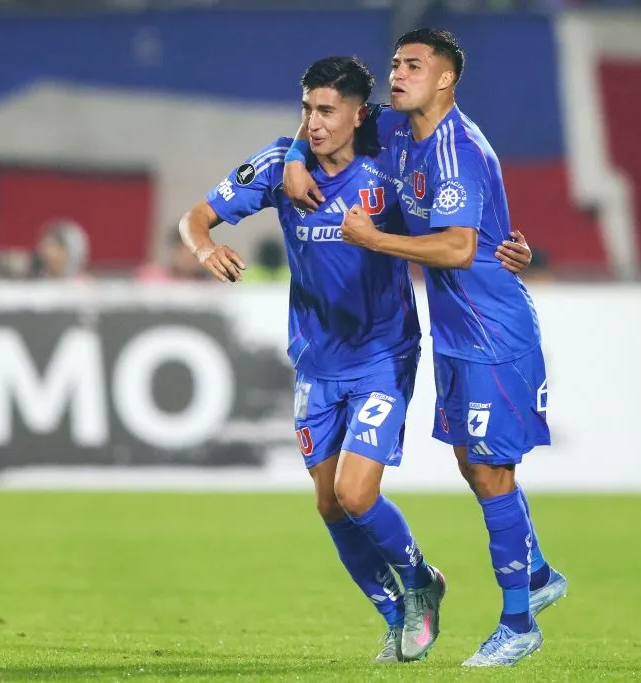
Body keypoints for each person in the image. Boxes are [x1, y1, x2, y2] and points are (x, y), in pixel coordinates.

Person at [282, 30, 566, 668]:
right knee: (473, 464)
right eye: (396, 63)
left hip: (494, 331)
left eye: (414, 66)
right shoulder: (402, 131)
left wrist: (373, 241)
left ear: (446, 80)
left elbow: (460, 248)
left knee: (492, 473)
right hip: (457, 334)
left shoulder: (457, 148)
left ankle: (519, 623)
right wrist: (296, 155)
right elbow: (327, 116)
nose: (399, 73)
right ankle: (540, 573)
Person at [178, 56, 446, 664]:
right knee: (328, 504)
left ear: (358, 114)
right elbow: (193, 218)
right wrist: (206, 247)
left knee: (355, 494)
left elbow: (448, 228)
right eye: (307, 109)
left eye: (327, 111)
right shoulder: (279, 165)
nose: (314, 122)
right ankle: (394, 612)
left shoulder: (392, 161)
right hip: (317, 363)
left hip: (384, 353)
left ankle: (420, 580)